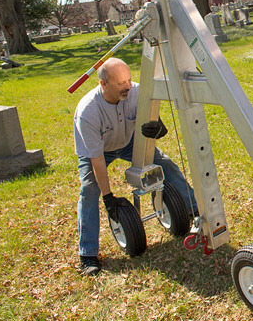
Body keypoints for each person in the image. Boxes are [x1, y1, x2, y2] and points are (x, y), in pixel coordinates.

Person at [73, 57, 197, 276]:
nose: (127, 86)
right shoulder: (88, 112)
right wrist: (108, 197)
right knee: (88, 190)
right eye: (120, 83)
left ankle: (194, 209)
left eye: (129, 79)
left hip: (129, 142)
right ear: (103, 84)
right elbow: (97, 160)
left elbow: (155, 121)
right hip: (99, 150)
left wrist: (159, 129)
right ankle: (88, 254)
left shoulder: (138, 92)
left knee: (165, 164)